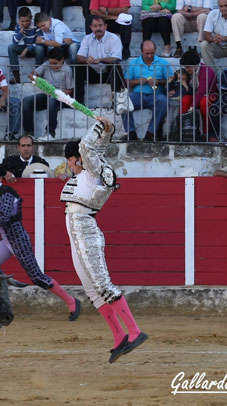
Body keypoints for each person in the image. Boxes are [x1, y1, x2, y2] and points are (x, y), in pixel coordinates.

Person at [62, 117, 147, 363]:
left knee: (102, 285)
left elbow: (88, 147)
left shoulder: (92, 171)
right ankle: (119, 335)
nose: (69, 165)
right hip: (76, 233)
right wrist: (108, 131)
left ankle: (135, 331)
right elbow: (95, 148)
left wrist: (99, 126)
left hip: (86, 230)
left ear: (76, 158)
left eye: (70, 160)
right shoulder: (89, 172)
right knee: (92, 289)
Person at [0, 164, 81, 321]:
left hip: (18, 240)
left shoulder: (5, 193)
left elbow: (3, 217)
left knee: (36, 276)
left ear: (1, 178)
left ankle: (71, 301)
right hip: (6, 240)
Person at [122, 40, 172, 141]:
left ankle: (151, 132)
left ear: (155, 51)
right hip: (137, 95)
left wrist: (159, 81)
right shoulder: (134, 63)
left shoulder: (163, 63)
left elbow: (170, 80)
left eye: (152, 53)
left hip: (156, 95)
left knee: (163, 101)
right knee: (123, 102)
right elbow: (125, 82)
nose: (149, 56)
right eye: (147, 53)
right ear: (141, 52)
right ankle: (131, 132)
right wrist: (137, 81)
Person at [22, 47, 73, 141]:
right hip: (46, 95)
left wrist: (55, 92)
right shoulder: (46, 65)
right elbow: (31, 76)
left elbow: (70, 90)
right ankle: (30, 133)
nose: (52, 66)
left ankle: (50, 132)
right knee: (26, 101)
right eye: (51, 63)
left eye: (55, 63)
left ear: (62, 60)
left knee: (52, 100)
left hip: (60, 97)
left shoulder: (67, 70)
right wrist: (42, 82)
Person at [74, 16, 125, 105]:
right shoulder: (87, 38)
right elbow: (79, 57)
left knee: (115, 66)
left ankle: (116, 101)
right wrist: (86, 59)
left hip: (108, 75)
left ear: (105, 26)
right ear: (91, 28)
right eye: (95, 26)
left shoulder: (113, 38)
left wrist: (101, 60)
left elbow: (116, 58)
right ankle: (79, 101)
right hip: (92, 73)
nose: (98, 28)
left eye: (100, 26)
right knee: (78, 66)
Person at [179, 48, 218, 140]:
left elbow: (201, 91)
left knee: (204, 103)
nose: (186, 69)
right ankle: (182, 131)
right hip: (196, 95)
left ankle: (206, 132)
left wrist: (192, 107)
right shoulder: (189, 72)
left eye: (188, 67)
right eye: (185, 67)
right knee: (185, 100)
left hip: (210, 95)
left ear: (195, 64)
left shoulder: (206, 71)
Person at [7, 7, 43, 85]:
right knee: (11, 47)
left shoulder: (36, 25)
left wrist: (27, 48)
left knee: (40, 49)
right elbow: (15, 41)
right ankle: (16, 77)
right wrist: (21, 30)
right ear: (19, 20)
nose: (25, 23)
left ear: (31, 18)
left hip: (34, 48)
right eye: (22, 21)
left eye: (27, 21)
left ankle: (38, 76)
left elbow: (40, 41)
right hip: (24, 48)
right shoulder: (18, 25)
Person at [200, 0, 227, 68]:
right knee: (204, 45)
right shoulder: (212, 14)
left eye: (226, 5)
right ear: (218, 6)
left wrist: (224, 38)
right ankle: (211, 74)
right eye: (221, 6)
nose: (224, 8)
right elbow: (206, 35)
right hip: (218, 47)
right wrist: (214, 39)